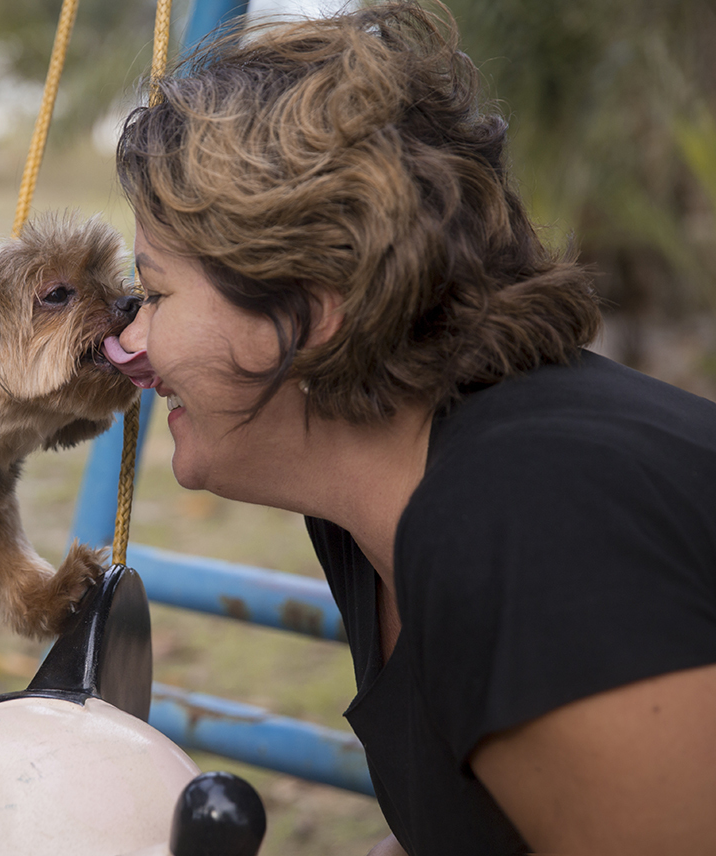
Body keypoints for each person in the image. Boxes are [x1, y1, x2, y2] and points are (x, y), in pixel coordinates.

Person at [109, 3, 716, 854]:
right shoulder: (373, 516)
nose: (129, 342)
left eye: (157, 292)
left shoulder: (527, 516)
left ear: (310, 312)